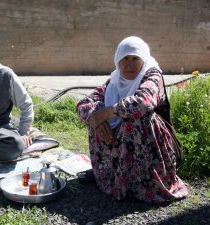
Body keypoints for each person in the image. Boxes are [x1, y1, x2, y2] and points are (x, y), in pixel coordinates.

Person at [76, 36, 188, 203]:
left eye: (135, 58)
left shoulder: (152, 75)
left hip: (156, 151)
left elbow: (143, 103)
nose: (129, 64)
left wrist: (107, 113)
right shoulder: (114, 81)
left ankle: (144, 183)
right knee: (94, 116)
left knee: (136, 118)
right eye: (125, 59)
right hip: (121, 151)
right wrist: (96, 118)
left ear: (143, 58)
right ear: (117, 61)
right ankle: (112, 174)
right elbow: (83, 105)